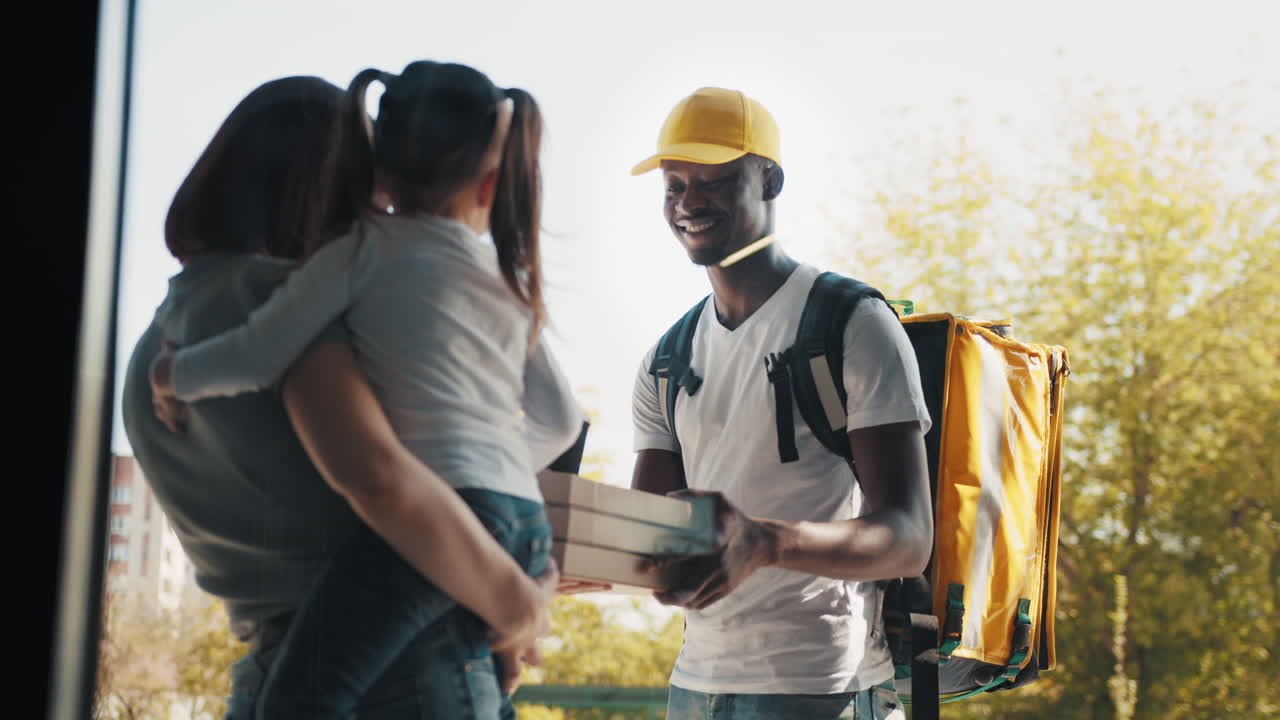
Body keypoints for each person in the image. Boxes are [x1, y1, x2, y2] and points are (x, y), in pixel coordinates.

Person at [148, 61, 584, 719]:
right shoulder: (504, 277)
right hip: (517, 517)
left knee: (296, 704)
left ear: (376, 170)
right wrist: (493, 484)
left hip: (397, 582)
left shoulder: (352, 257)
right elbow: (560, 420)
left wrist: (173, 376)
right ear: (493, 183)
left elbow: (264, 359)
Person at [628, 87, 934, 720]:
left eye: (712, 181)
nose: (688, 203)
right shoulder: (666, 359)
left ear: (770, 180)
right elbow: (649, 536)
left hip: (824, 687)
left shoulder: (852, 324)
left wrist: (764, 541)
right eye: (674, 186)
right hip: (694, 690)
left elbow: (908, 538)